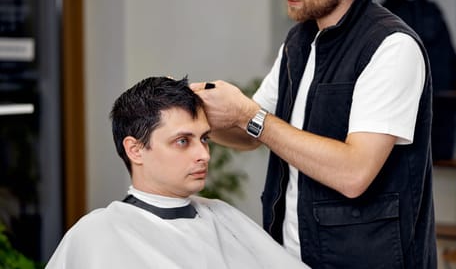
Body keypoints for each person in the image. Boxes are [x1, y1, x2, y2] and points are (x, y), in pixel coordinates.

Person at [190, 0, 437, 268]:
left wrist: (249, 115)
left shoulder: (392, 48)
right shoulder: (299, 41)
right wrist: (191, 112)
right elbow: (250, 135)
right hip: (290, 256)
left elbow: (354, 174)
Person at [45, 76, 308, 269]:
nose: (204, 155)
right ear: (135, 150)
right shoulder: (95, 236)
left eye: (204, 139)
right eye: (183, 141)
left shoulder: (224, 218)